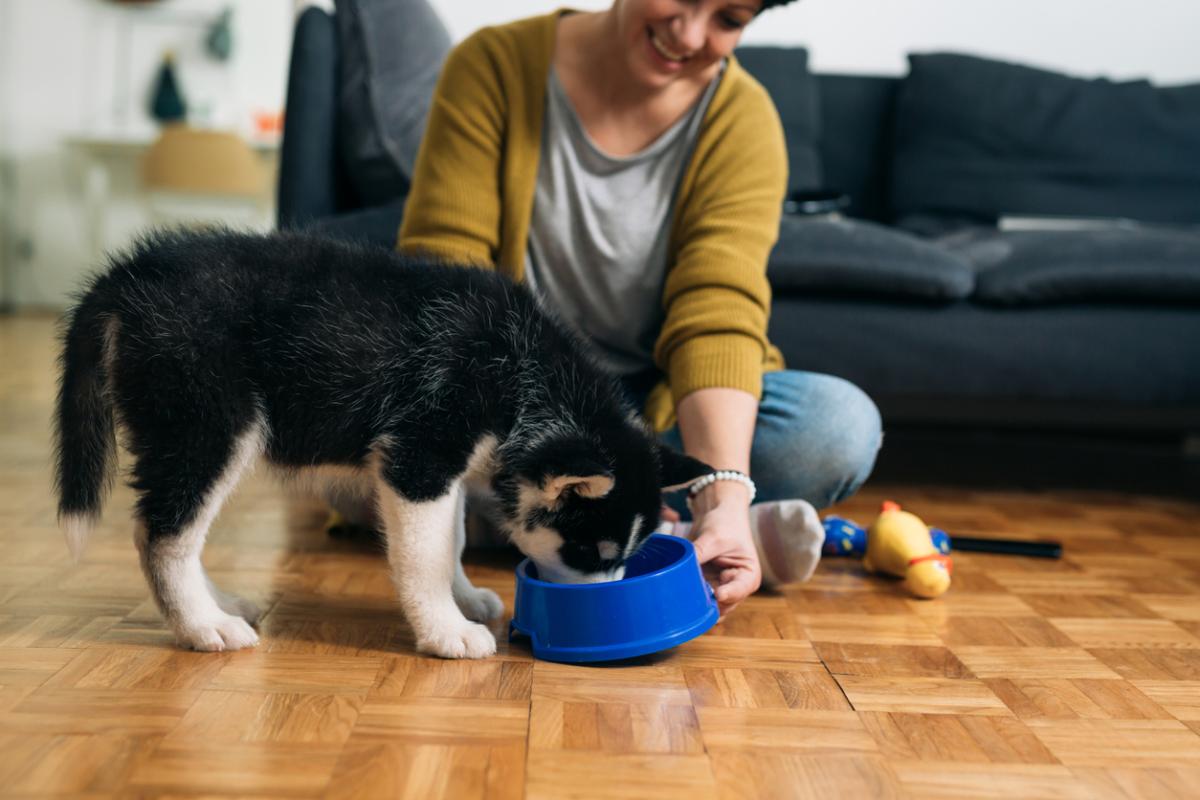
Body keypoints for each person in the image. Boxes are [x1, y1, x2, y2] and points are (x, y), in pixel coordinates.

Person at [392, 0, 882, 617]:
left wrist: (722, 494)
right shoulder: (492, 65)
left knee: (835, 428)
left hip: (656, 410)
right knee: (374, 445)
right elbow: (444, 283)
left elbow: (718, 308)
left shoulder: (743, 118)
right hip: (502, 404)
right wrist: (533, 444)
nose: (689, 35)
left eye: (729, 19)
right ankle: (650, 535)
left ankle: (563, 527)